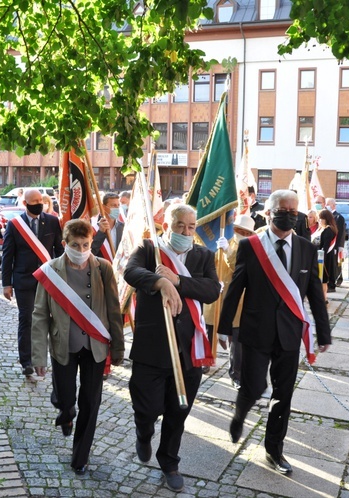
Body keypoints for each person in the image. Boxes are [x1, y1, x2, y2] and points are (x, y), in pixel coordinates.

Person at [219, 189, 331, 476]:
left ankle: (274, 449)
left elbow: (315, 293)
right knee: (254, 386)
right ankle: (240, 414)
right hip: (256, 331)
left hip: (289, 334)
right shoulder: (251, 246)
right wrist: (223, 327)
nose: (290, 216)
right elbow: (235, 289)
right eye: (284, 210)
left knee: (283, 395)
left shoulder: (307, 248)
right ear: (268, 212)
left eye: (295, 212)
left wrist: (324, 333)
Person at [123, 203, 219, 493]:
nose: (186, 232)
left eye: (191, 227)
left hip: (189, 347)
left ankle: (170, 462)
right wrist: (159, 281)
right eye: (180, 226)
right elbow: (131, 273)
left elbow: (212, 290)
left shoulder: (203, 255)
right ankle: (144, 431)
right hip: (152, 344)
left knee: (179, 410)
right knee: (147, 405)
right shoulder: (149, 249)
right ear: (167, 224)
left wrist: (177, 281)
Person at [31, 219, 125, 475]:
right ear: (65, 244)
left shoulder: (103, 268)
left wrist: (118, 348)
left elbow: (114, 311)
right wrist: (38, 356)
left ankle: (80, 455)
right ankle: (65, 408)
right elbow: (40, 316)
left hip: (95, 346)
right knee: (66, 396)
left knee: (91, 402)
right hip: (64, 346)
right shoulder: (50, 270)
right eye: (76, 244)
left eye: (86, 244)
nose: (82, 249)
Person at [1, 188, 64, 376]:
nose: (39, 204)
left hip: (47, 280)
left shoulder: (52, 221)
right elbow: (7, 256)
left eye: (40, 200)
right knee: (26, 319)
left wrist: (62, 277)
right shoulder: (15, 225)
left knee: (48, 319)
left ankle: (45, 358)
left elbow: (58, 251)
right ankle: (27, 361)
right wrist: (6, 283)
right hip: (24, 280)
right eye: (34, 201)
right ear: (25, 203)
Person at [203, 214, 255, 388]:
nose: (241, 233)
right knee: (210, 330)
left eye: (245, 232)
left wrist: (228, 251)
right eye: (239, 230)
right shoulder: (223, 239)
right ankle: (206, 361)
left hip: (236, 298)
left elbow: (239, 266)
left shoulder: (250, 247)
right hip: (216, 293)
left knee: (236, 338)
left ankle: (236, 373)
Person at [312, 209, 338, 302]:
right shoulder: (323, 228)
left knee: (323, 280)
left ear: (326, 219)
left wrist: (320, 260)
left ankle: (323, 298)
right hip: (321, 256)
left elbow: (325, 247)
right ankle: (323, 297)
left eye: (320, 219)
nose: (319, 221)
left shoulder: (328, 230)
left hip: (324, 258)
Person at [91, 192, 124, 257]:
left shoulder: (123, 227)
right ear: (103, 207)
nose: (117, 208)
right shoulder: (94, 230)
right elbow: (91, 252)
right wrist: (101, 232)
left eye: (118, 205)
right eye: (113, 205)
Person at [325, 198, 346, 289]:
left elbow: (340, 232)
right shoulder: (326, 216)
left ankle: (338, 279)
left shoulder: (338, 217)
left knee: (337, 263)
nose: (326, 205)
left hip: (335, 244)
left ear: (333, 205)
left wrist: (338, 246)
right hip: (327, 244)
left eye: (328, 204)